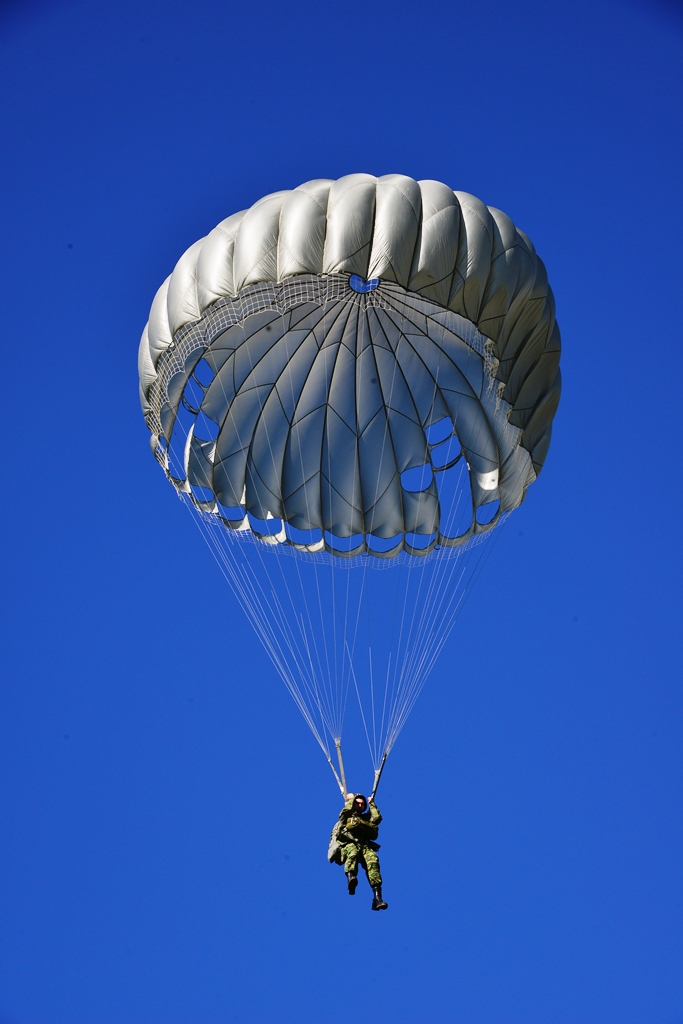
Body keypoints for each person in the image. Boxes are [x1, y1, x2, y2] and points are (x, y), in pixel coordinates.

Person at [329, 793, 388, 910]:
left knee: (373, 861)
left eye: (362, 804)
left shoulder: (365, 819)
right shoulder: (347, 815)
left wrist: (371, 804)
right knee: (353, 852)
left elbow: (376, 819)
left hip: (364, 846)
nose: (360, 805)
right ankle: (351, 878)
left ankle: (377, 898)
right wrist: (350, 800)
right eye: (358, 803)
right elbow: (344, 813)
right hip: (349, 844)